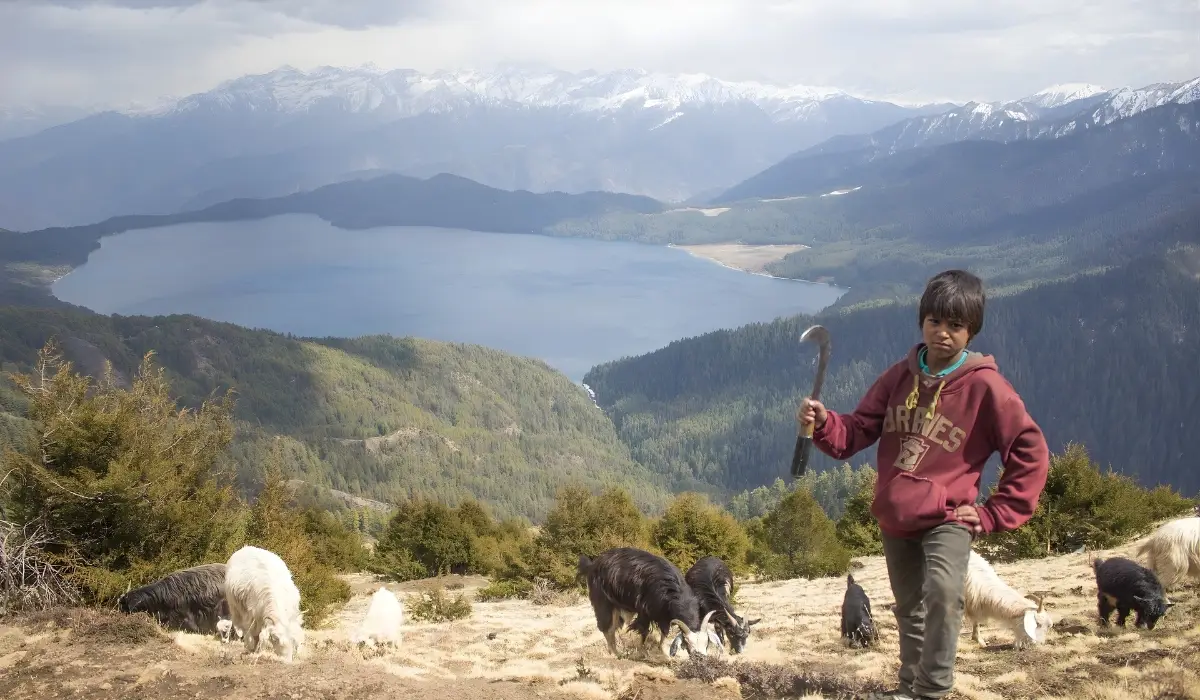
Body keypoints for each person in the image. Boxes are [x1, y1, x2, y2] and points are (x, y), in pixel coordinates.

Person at [798, 269, 1050, 700]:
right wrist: (824, 423)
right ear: (922, 322)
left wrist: (994, 512)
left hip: (949, 516)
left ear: (972, 330)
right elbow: (857, 430)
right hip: (897, 516)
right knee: (909, 608)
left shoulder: (986, 387)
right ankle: (908, 689)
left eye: (955, 325)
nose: (943, 333)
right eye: (935, 321)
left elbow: (1030, 449)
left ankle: (932, 691)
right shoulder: (900, 376)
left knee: (944, 594)